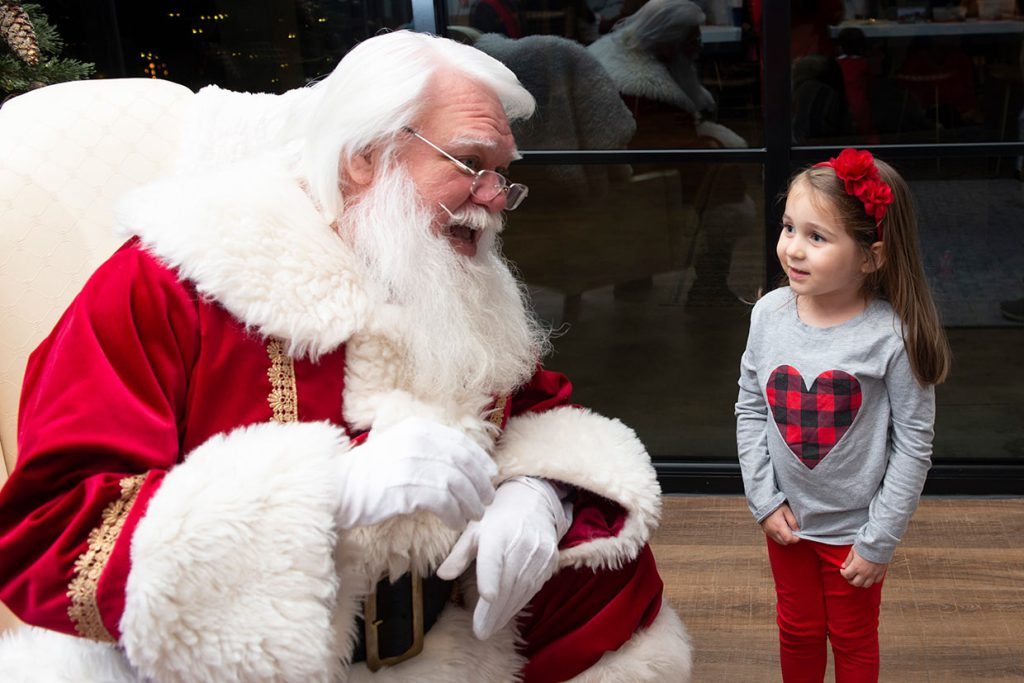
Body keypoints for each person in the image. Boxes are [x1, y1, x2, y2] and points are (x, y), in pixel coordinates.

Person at [0, 31, 692, 681]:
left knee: (606, 571)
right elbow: (50, 534)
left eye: (502, 175)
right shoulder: (169, 282)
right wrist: (328, 493)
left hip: (449, 636)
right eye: (470, 163)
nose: (492, 201)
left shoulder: (449, 273)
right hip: (258, 660)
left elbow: (533, 401)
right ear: (365, 155)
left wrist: (540, 491)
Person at [735, 149, 950, 680]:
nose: (793, 250)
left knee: (853, 639)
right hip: (787, 523)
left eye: (818, 237)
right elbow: (750, 409)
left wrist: (879, 538)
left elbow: (913, 445)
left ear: (871, 257)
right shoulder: (768, 315)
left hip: (857, 533)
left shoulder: (891, 336)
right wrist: (764, 501)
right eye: (789, 228)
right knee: (798, 630)